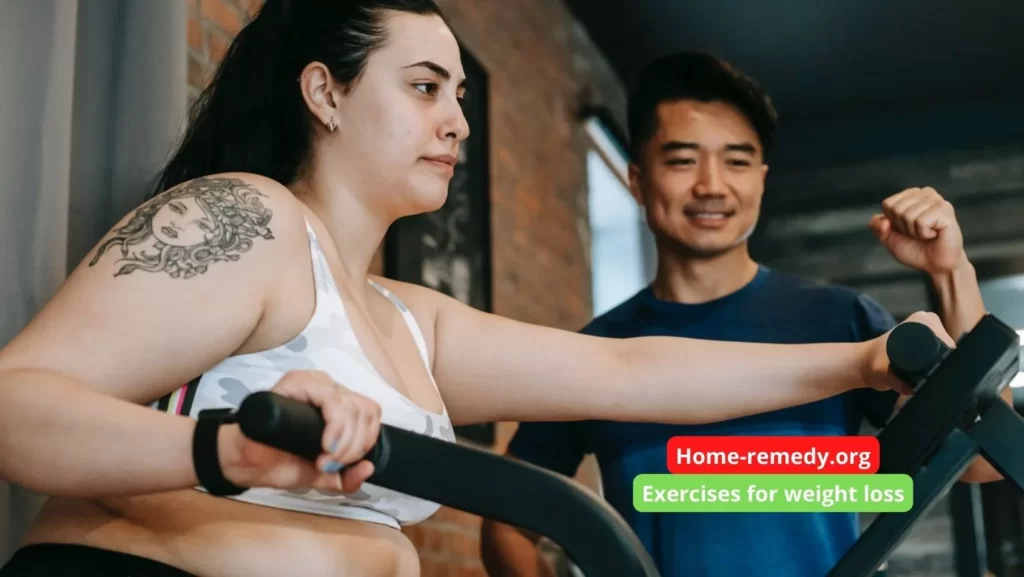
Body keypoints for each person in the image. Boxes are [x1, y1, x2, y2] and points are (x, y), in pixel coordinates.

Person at [0, 3, 950, 577]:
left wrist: (865, 358)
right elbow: (16, 405)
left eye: (459, 94)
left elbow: (626, 371)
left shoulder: (413, 319)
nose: (456, 121)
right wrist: (222, 451)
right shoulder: (251, 219)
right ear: (325, 94)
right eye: (423, 88)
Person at [479, 51, 1001, 577]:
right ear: (637, 180)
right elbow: (507, 520)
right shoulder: (597, 352)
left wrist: (951, 272)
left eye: (737, 160)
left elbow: (982, 459)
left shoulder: (840, 322)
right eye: (683, 160)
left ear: (761, 177)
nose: (712, 185)